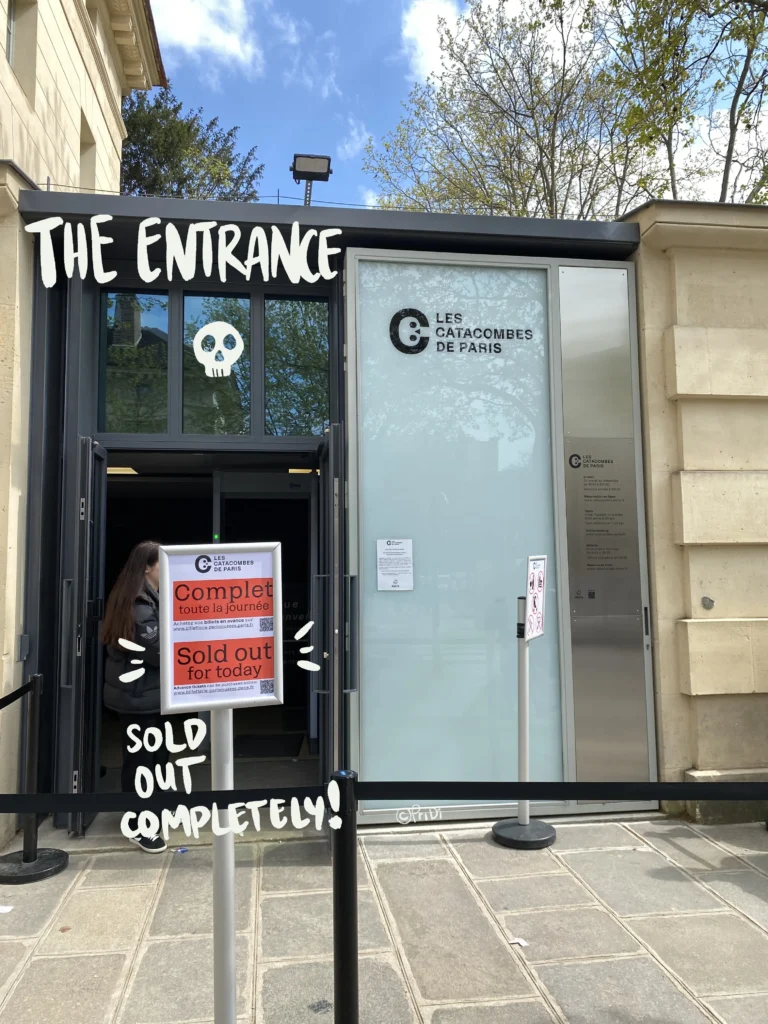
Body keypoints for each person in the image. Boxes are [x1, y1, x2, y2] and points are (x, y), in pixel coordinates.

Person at [101, 539, 168, 853]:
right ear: (147, 568)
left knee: (148, 758)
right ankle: (141, 826)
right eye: (162, 563)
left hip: (139, 695)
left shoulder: (141, 596)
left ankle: (146, 813)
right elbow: (158, 652)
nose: (166, 569)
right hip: (139, 696)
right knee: (143, 762)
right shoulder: (140, 605)